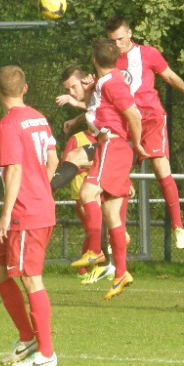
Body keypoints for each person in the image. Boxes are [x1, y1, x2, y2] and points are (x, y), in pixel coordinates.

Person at [0, 65, 59, 366]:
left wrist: (5, 215)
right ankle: (28, 337)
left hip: (25, 213)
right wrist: (41, 187)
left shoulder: (8, 125)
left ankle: (46, 353)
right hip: (37, 206)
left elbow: (15, 169)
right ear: (25, 89)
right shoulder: (39, 118)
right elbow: (53, 159)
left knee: (31, 279)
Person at [106, 15, 184, 250]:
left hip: (151, 120)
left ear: (130, 33)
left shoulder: (148, 54)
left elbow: (169, 76)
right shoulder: (107, 60)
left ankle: (178, 226)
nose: (117, 44)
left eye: (120, 39)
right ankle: (118, 233)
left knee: (161, 169)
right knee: (118, 179)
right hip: (125, 124)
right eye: (112, 41)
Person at [78, 39, 147, 301]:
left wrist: (137, 144)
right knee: (110, 213)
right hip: (111, 146)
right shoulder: (106, 82)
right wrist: (89, 90)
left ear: (94, 60)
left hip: (112, 145)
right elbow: (94, 112)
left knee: (87, 194)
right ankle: (121, 273)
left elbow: (133, 114)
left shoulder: (114, 84)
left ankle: (95, 251)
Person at [52, 66, 116, 284]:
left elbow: (100, 106)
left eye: (73, 87)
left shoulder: (100, 85)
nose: (71, 92)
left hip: (117, 147)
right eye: (67, 90)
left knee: (74, 158)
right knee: (104, 215)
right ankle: (108, 265)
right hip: (109, 153)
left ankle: (43, 189)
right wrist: (76, 120)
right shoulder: (93, 95)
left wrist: (74, 102)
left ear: (84, 80)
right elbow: (93, 110)